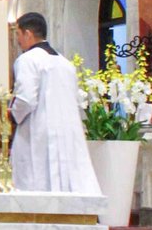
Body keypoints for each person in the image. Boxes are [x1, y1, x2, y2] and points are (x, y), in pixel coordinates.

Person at [10, 13, 101, 194]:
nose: (18, 41)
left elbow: (26, 99)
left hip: (39, 132)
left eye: (18, 34)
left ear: (28, 34)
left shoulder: (28, 60)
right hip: (68, 132)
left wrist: (12, 114)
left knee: (36, 183)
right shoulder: (65, 63)